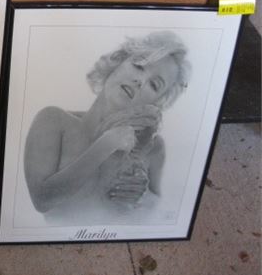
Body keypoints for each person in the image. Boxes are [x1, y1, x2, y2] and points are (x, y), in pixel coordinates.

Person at [24, 31, 190, 219]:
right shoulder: (53, 120)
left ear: (156, 102)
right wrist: (105, 146)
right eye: (139, 65)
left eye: (154, 85)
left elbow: (164, 212)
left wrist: (143, 199)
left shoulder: (153, 147)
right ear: (117, 61)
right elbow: (41, 201)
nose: (140, 81)